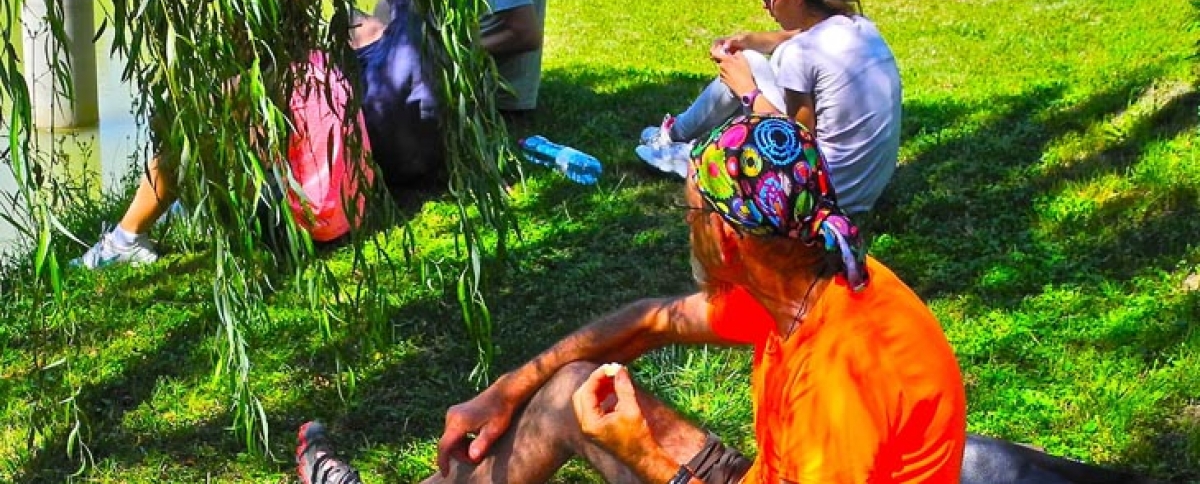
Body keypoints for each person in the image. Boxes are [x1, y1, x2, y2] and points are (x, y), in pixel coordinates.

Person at [295, 115, 968, 484]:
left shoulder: (839, 378)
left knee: (598, 413)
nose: (686, 220)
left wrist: (644, 453)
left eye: (694, 210)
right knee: (568, 391)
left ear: (729, 240)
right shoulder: (802, 277)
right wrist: (509, 386)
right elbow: (653, 321)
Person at [636, 0, 900, 216]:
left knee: (747, 70)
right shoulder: (861, 27)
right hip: (866, 190)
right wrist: (752, 40)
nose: (765, 5)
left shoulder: (800, 54)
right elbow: (801, 34)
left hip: (819, 198)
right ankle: (676, 135)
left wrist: (747, 90)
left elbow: (796, 144)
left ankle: (689, 155)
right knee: (749, 59)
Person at [72, 50, 373, 269]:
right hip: (351, 216)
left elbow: (172, 122)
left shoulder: (262, 79)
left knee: (182, 149)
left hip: (310, 227)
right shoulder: (322, 60)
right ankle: (176, 211)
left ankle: (124, 241)